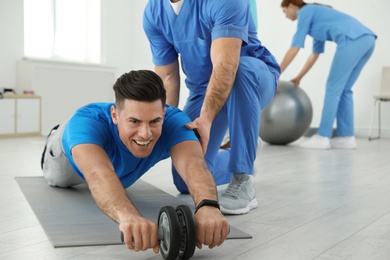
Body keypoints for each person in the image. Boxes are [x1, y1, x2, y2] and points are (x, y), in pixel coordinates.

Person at [41, 70, 229, 253]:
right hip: (63, 158)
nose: (145, 133)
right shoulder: (86, 124)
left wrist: (208, 205)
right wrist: (129, 217)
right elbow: (98, 172)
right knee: (58, 180)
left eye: (154, 121)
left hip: (117, 169)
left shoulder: (174, 122)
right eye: (134, 121)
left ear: (163, 114)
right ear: (115, 115)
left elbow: (193, 164)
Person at [143, 0, 280, 215]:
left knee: (241, 71)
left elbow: (227, 65)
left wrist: (205, 119)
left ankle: (242, 177)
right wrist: (158, 123)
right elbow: (167, 76)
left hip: (249, 77)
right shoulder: (154, 11)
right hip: (202, 90)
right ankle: (243, 152)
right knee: (186, 178)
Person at [279, 0, 377, 149]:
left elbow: (295, 47)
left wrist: (275, 72)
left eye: (284, 11)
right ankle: (347, 137)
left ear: (292, 6)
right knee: (344, 89)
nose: (285, 16)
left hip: (352, 39)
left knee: (333, 87)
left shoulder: (305, 11)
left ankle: (323, 136)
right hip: (367, 40)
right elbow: (315, 54)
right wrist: (299, 76)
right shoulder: (316, 17)